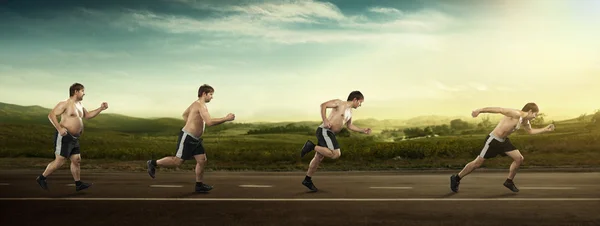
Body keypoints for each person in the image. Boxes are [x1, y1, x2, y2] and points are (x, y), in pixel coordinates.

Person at [146, 84, 235, 193]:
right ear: (204, 94)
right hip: (187, 137)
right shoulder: (200, 106)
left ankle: (199, 185)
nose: (212, 97)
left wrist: (192, 123)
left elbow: (184, 115)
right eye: (211, 94)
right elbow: (209, 122)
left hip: (196, 140)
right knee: (177, 162)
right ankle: (153, 163)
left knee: (202, 160)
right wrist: (226, 118)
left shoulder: (195, 104)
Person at [450, 102, 555, 193]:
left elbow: (530, 131)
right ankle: (456, 178)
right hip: (493, 141)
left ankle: (509, 181)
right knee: (477, 163)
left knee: (519, 158)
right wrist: (479, 110)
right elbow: (499, 110)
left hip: (504, 141)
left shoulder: (525, 121)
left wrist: (545, 129)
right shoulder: (515, 114)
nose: (535, 117)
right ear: (530, 111)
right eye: (535, 114)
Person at [36, 83, 108, 191]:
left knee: (76, 159)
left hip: (74, 138)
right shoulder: (65, 104)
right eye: (82, 91)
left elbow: (87, 115)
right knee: (60, 161)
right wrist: (59, 129)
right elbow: (51, 115)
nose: (84, 93)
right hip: (65, 137)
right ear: (76, 91)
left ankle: (78, 184)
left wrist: (101, 108)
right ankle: (41, 178)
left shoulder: (79, 105)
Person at [299, 91, 372, 192]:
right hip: (325, 131)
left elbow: (350, 126)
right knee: (335, 154)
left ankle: (307, 180)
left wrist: (362, 130)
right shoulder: (339, 103)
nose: (360, 105)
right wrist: (325, 120)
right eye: (360, 102)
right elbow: (323, 105)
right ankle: (311, 146)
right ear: (355, 99)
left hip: (330, 134)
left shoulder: (350, 112)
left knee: (318, 158)